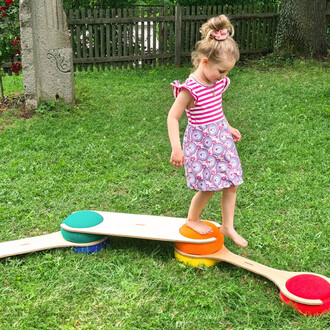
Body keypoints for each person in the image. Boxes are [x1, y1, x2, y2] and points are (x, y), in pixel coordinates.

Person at [167, 14, 247, 247]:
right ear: (204, 63)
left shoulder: (217, 82)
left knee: (232, 182)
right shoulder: (190, 89)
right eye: (221, 71)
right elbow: (173, 117)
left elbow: (216, 109)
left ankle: (228, 226)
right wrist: (176, 148)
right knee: (210, 186)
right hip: (202, 143)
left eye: (227, 72)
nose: (224, 76)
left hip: (220, 137)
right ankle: (193, 218)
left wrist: (227, 126)